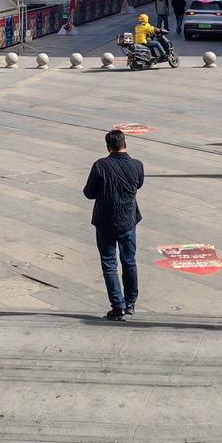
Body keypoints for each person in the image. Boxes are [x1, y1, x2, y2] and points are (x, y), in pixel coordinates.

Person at [83, 129, 145, 320]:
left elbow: (89, 193)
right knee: (129, 261)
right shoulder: (137, 165)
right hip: (128, 220)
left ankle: (118, 306)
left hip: (105, 221)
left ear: (108, 147)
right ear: (124, 144)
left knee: (109, 263)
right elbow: (138, 185)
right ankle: (131, 302)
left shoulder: (100, 165)